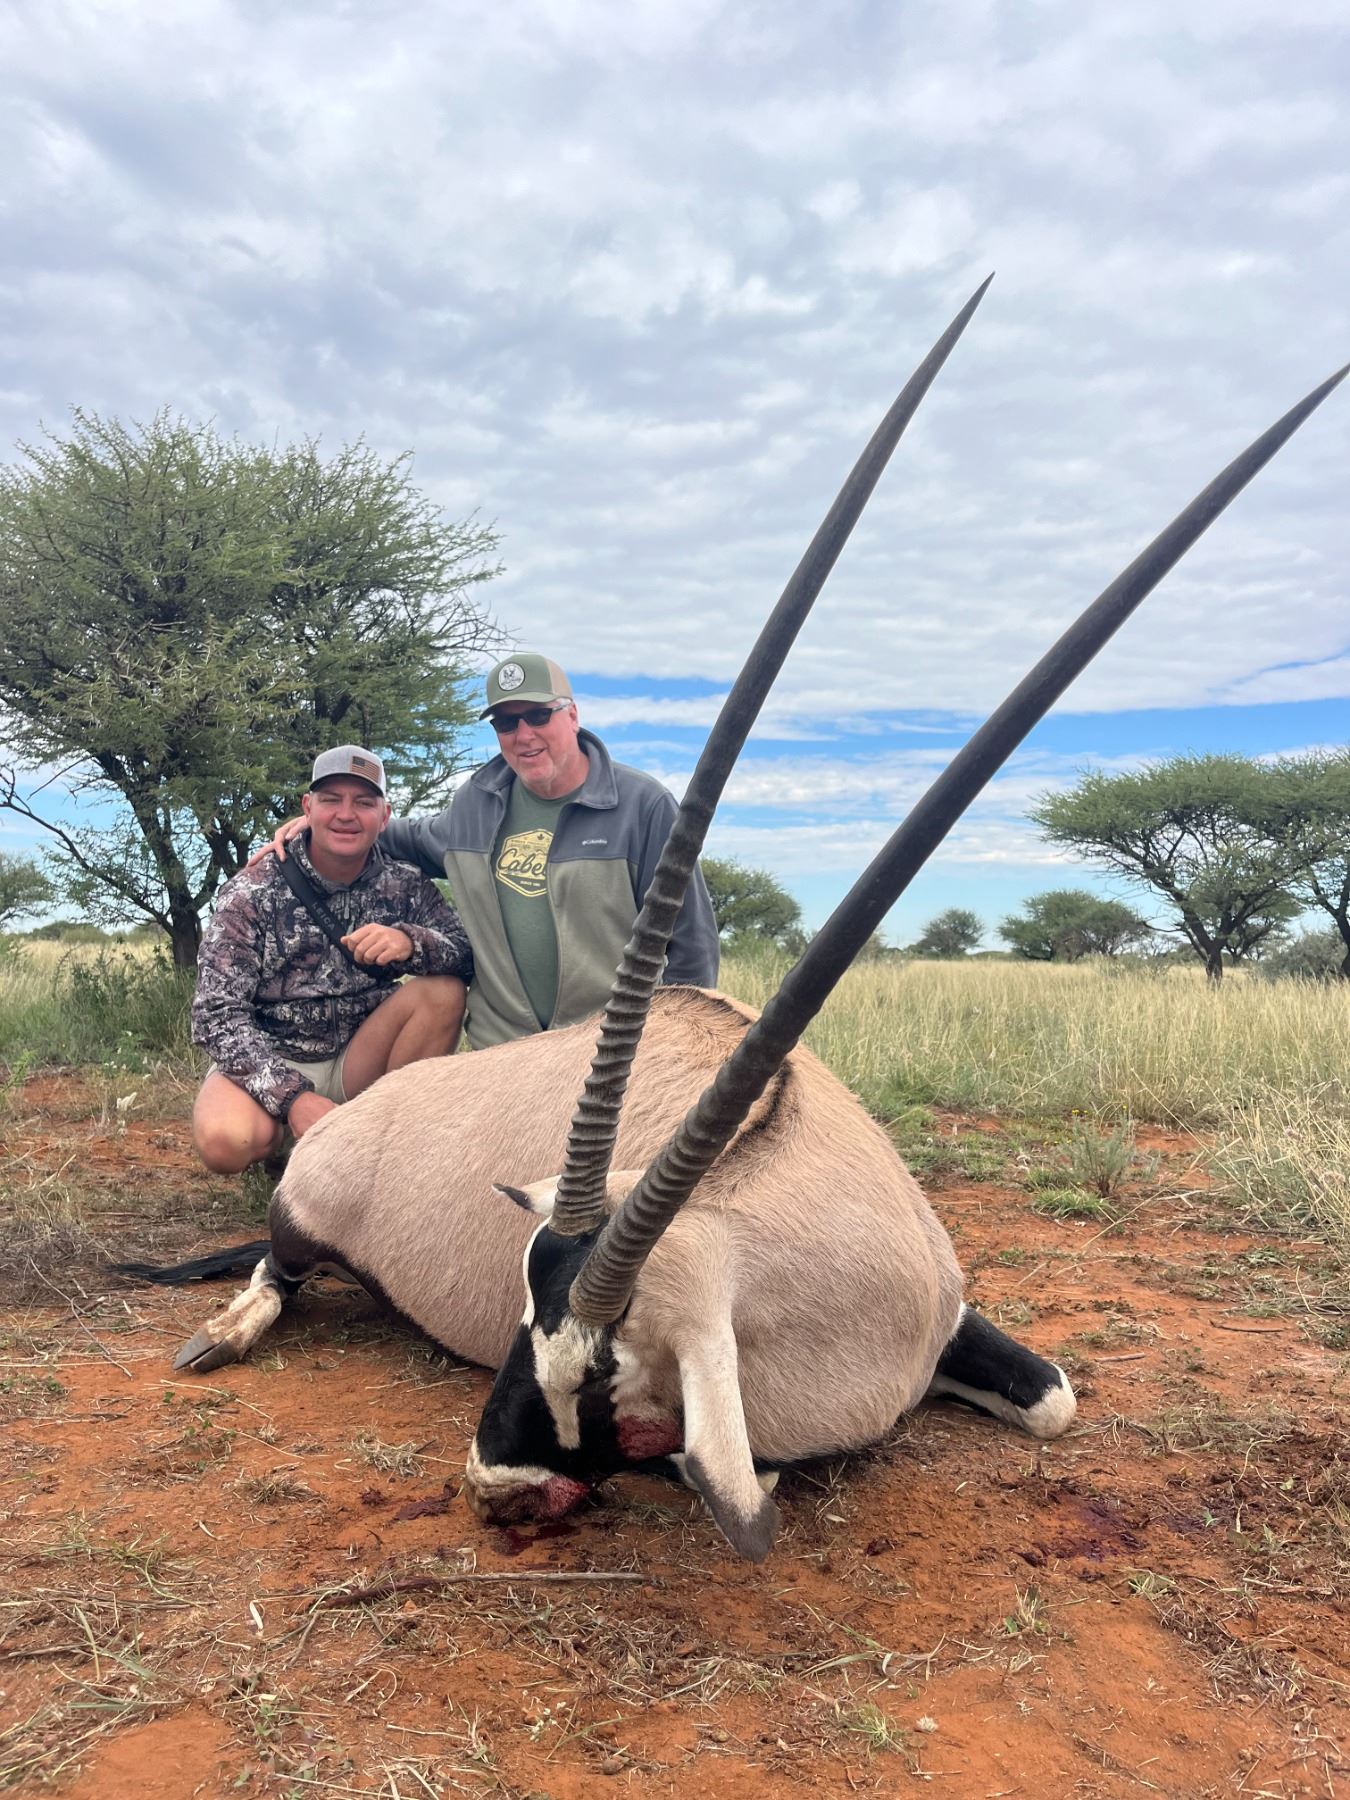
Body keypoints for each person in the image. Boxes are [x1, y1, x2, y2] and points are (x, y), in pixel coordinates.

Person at [270, 655, 719, 1047]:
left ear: (572, 715)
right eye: (506, 722)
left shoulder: (644, 806)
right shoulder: (476, 803)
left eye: (538, 716)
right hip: (502, 1054)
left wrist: (675, 1046)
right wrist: (322, 826)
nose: (524, 735)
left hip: (607, 1048)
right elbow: (405, 837)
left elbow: (691, 943)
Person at [192, 745, 473, 1173]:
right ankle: (286, 1145)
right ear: (308, 808)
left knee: (443, 992)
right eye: (331, 800)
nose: (346, 814)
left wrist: (410, 942)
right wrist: (293, 1098)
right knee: (225, 1142)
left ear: (384, 816)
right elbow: (215, 1014)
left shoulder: (406, 883)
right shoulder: (251, 890)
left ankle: (387, 1144)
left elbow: (465, 954)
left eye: (363, 803)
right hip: (274, 1054)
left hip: (361, 1057)